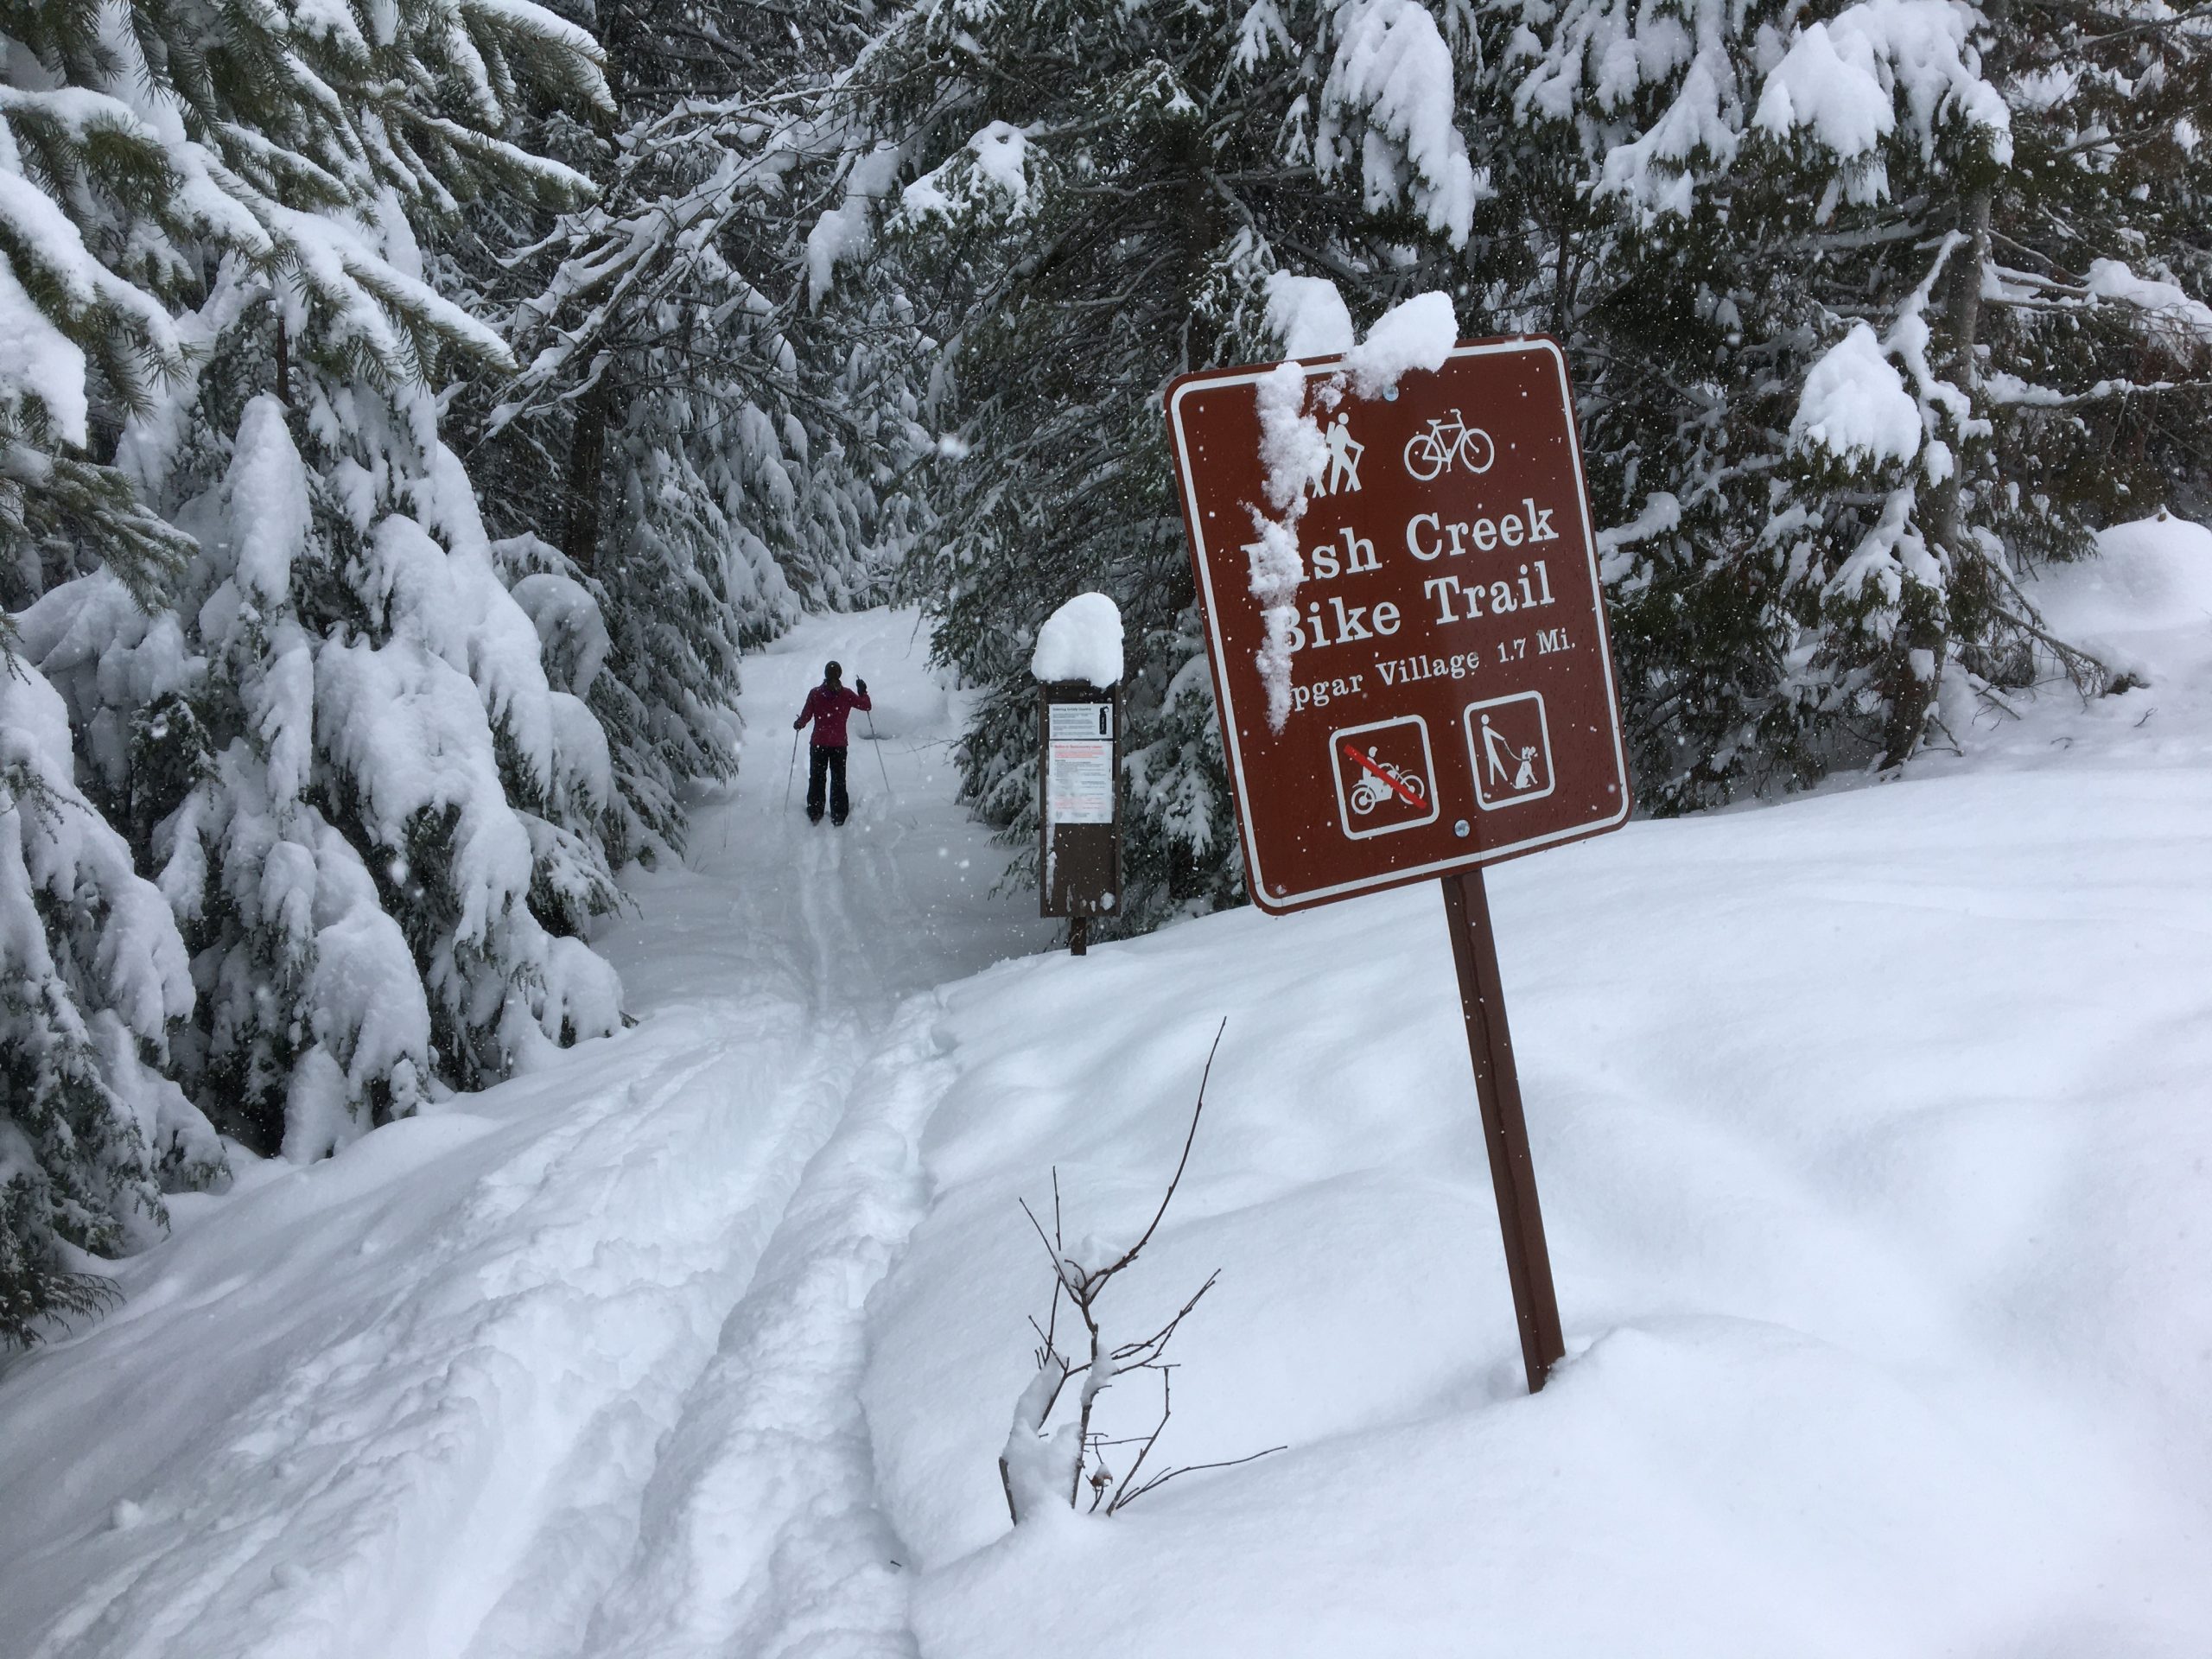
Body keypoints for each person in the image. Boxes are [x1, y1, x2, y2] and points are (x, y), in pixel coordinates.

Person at [792, 661, 871, 826]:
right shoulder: (847, 695)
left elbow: (806, 716)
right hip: (839, 745)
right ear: (840, 675)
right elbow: (866, 706)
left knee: (817, 778)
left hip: (819, 743)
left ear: (826, 674)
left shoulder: (815, 694)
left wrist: (799, 723)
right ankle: (839, 814)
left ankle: (815, 811)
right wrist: (863, 692)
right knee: (838, 779)